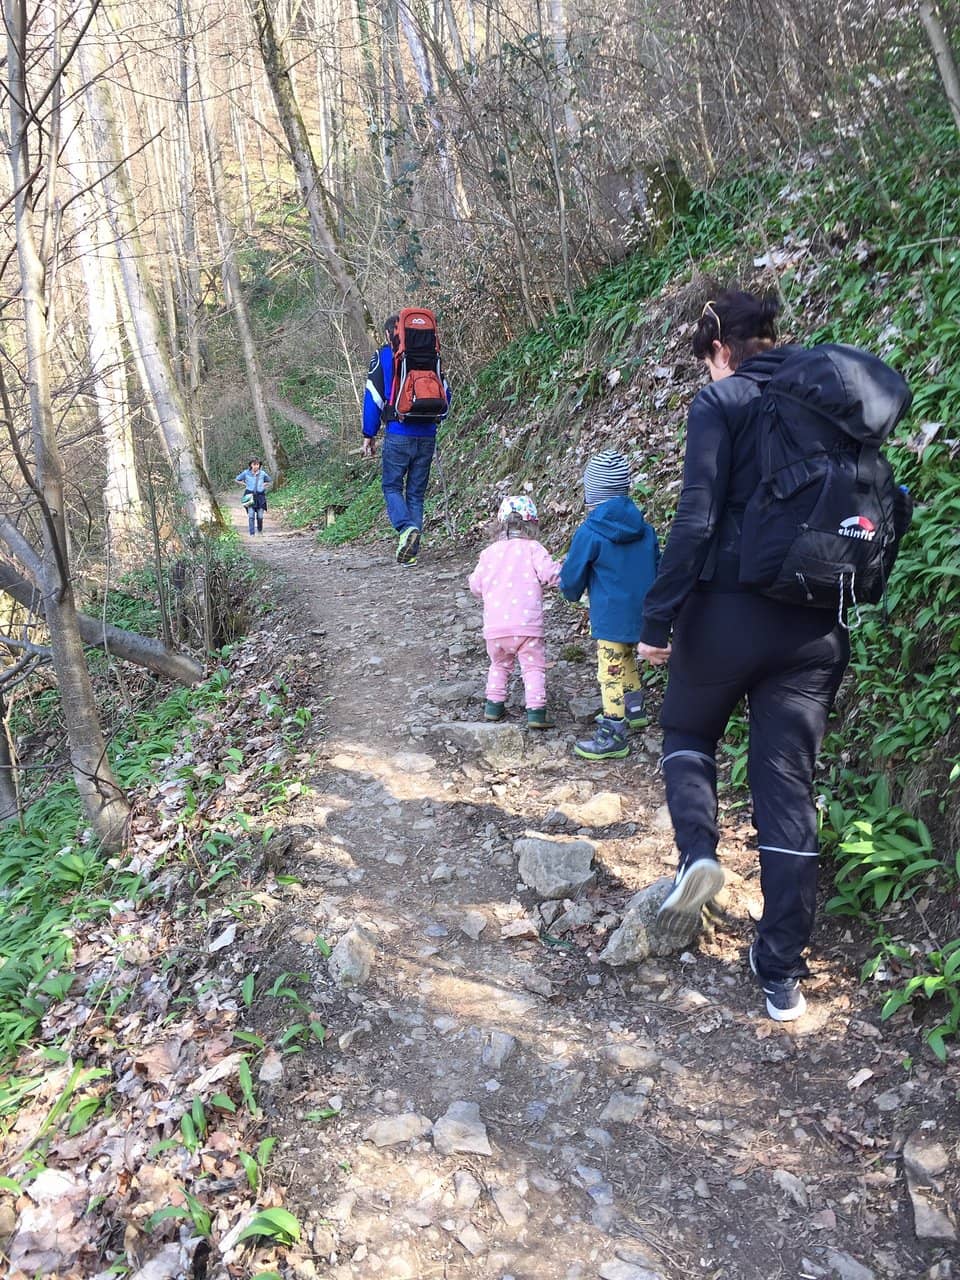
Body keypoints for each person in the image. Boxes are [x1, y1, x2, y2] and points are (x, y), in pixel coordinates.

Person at [636, 290, 855, 1023]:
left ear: (718, 349)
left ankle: (699, 852)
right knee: (787, 789)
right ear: (771, 337)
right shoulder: (831, 399)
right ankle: (780, 971)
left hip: (728, 613)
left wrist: (658, 617)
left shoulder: (722, 401)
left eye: (705, 360)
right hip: (816, 624)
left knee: (689, 733)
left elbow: (696, 518)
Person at [559, 450, 660, 761]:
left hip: (610, 617)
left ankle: (613, 732)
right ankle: (636, 710)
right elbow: (658, 567)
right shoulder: (645, 529)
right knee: (627, 658)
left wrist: (570, 592)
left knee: (611, 671)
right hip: (644, 613)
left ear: (592, 491)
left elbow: (573, 574)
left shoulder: (590, 532)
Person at [362, 313, 451, 566]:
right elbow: (447, 394)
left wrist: (368, 434)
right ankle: (411, 551)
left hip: (399, 432)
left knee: (391, 486)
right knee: (416, 494)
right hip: (427, 433)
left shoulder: (385, 356)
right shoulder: (431, 357)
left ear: (392, 333)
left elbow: (374, 398)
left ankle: (405, 529)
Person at [468, 496, 562, 728]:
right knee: (533, 667)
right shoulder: (533, 549)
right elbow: (552, 576)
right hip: (527, 625)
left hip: (496, 628)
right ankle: (536, 712)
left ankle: (493, 705)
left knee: (499, 665)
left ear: (500, 524)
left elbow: (476, 586)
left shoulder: (488, 553)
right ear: (532, 524)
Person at [235, 457, 272, 535]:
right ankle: (252, 533)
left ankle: (260, 531)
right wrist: (245, 484)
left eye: (257, 464)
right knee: (251, 515)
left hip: (260, 496)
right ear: (251, 465)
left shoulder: (262, 473)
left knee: (260, 516)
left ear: (259, 465)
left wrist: (263, 485)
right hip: (249, 495)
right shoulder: (246, 473)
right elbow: (237, 479)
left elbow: (269, 481)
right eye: (254, 464)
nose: (256, 466)